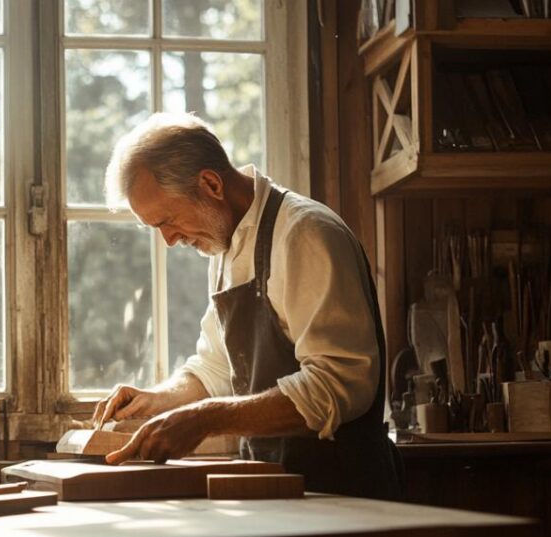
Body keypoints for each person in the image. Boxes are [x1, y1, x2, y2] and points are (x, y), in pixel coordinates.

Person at [92, 112, 400, 499]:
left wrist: (205, 419)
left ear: (210, 184)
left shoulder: (304, 233)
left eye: (167, 221)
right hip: (279, 491)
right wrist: (156, 401)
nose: (169, 241)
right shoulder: (225, 248)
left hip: (346, 494)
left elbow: (337, 383)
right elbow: (215, 368)